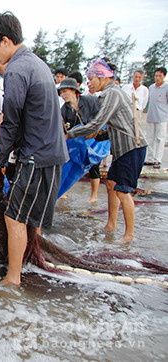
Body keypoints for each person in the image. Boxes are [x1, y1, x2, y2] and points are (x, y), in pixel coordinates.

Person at [0, 12, 69, 286]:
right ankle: (32, 262)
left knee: (14, 216)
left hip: (36, 156)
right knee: (31, 216)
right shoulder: (36, 63)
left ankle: (13, 278)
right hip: (51, 154)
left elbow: (11, 123)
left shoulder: (17, 69)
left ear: (5, 41)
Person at [67, 58, 147, 241]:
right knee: (111, 184)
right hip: (122, 149)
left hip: (132, 147)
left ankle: (129, 234)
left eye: (91, 79)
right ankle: (111, 224)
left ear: (102, 77)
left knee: (123, 190)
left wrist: (70, 134)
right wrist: (96, 135)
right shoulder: (109, 93)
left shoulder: (112, 94)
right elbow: (108, 128)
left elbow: (97, 124)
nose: (89, 83)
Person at [58, 77, 102, 202]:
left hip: (95, 138)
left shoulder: (90, 100)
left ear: (73, 90)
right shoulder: (64, 110)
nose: (63, 95)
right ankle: (65, 191)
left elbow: (102, 115)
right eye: (61, 92)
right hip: (78, 140)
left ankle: (94, 195)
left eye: (65, 91)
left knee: (94, 166)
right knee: (71, 163)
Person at [144, 67, 168, 169]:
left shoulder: (166, 87)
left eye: (160, 76)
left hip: (162, 117)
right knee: (150, 138)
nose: (157, 78)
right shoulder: (151, 87)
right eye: (156, 75)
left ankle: (157, 159)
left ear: (164, 76)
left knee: (160, 139)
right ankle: (149, 158)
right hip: (151, 116)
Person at [122, 70, 149, 139]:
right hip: (126, 111)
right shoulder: (126, 88)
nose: (137, 79)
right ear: (133, 77)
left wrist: (138, 109)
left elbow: (144, 103)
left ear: (142, 78)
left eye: (139, 77)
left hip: (137, 112)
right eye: (136, 77)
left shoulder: (144, 90)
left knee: (137, 130)